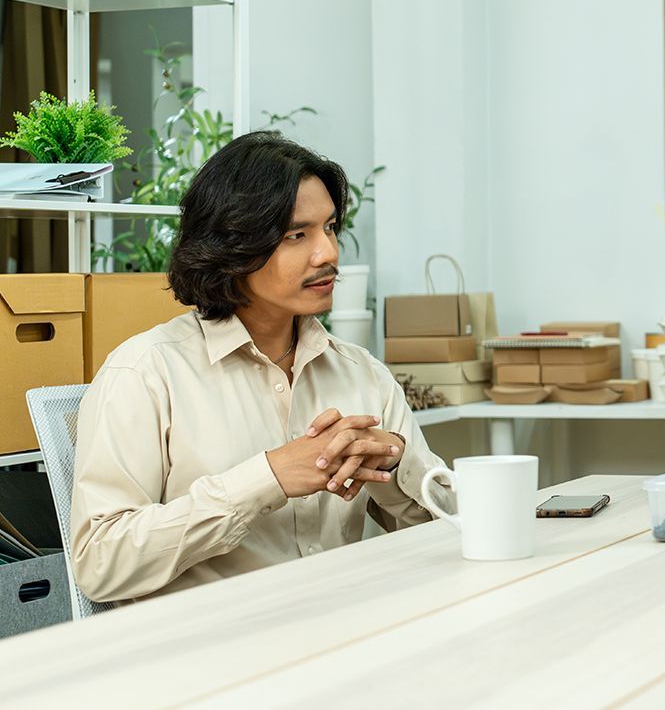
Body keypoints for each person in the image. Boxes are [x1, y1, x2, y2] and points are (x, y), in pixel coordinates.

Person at [71, 132, 445, 602]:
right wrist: (266, 479)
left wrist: (396, 458)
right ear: (232, 244)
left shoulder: (362, 375)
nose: (328, 253)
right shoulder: (145, 373)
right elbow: (100, 564)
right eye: (297, 235)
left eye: (330, 228)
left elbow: (448, 531)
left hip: (341, 631)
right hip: (210, 654)